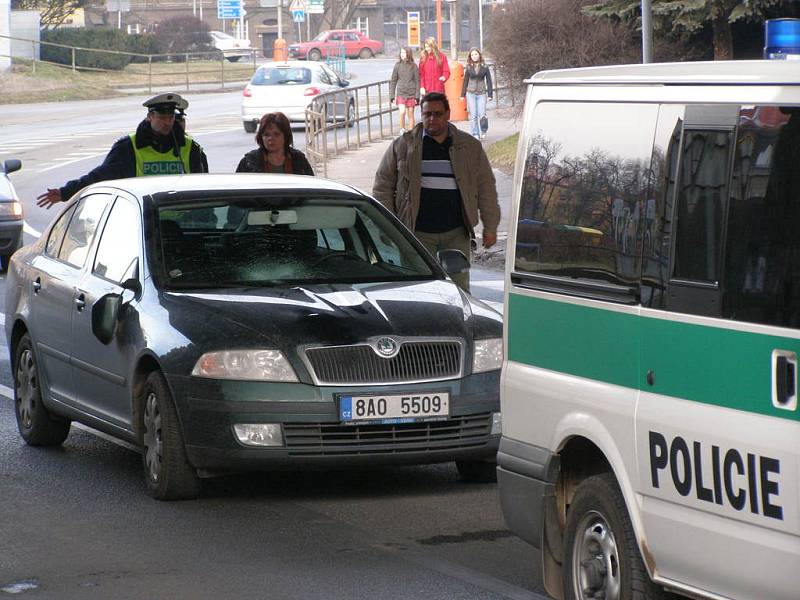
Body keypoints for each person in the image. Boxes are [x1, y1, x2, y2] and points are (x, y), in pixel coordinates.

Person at [372, 92, 500, 291]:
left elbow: (486, 187)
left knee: (459, 290)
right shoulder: (404, 145)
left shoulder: (468, 146)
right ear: (421, 115)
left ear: (448, 114)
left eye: (438, 114)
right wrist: (390, 227)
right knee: (421, 289)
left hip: (456, 233)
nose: (432, 119)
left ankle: (460, 322)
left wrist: (490, 226)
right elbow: (382, 187)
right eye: (427, 114)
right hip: (416, 233)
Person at [36, 92, 208, 209]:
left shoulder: (190, 147)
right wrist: (65, 192)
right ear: (149, 117)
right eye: (162, 117)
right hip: (143, 222)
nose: (168, 122)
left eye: (171, 117)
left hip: (184, 226)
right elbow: (100, 176)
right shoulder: (128, 147)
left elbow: (204, 188)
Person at [235, 112, 314, 174]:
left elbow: (311, 189)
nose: (270, 139)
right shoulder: (249, 162)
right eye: (266, 135)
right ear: (261, 137)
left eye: (276, 134)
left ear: (286, 135)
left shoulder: (299, 160)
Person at [460, 47, 493, 140]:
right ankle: (475, 134)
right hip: (471, 93)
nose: (474, 56)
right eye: (472, 55)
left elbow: (489, 81)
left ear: (479, 55)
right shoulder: (469, 67)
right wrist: (462, 95)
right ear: (470, 56)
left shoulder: (485, 67)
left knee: (482, 114)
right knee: (473, 115)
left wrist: (490, 95)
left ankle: (483, 129)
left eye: (476, 54)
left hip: (481, 93)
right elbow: (465, 81)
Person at [389, 47, 420, 133]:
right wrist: (392, 96)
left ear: (408, 54)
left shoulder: (413, 66)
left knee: (410, 113)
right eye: (401, 53)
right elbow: (393, 81)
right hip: (401, 93)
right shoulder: (397, 65)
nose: (402, 54)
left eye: (404, 53)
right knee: (402, 111)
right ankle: (402, 129)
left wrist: (417, 96)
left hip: (411, 93)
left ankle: (411, 132)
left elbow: (417, 81)